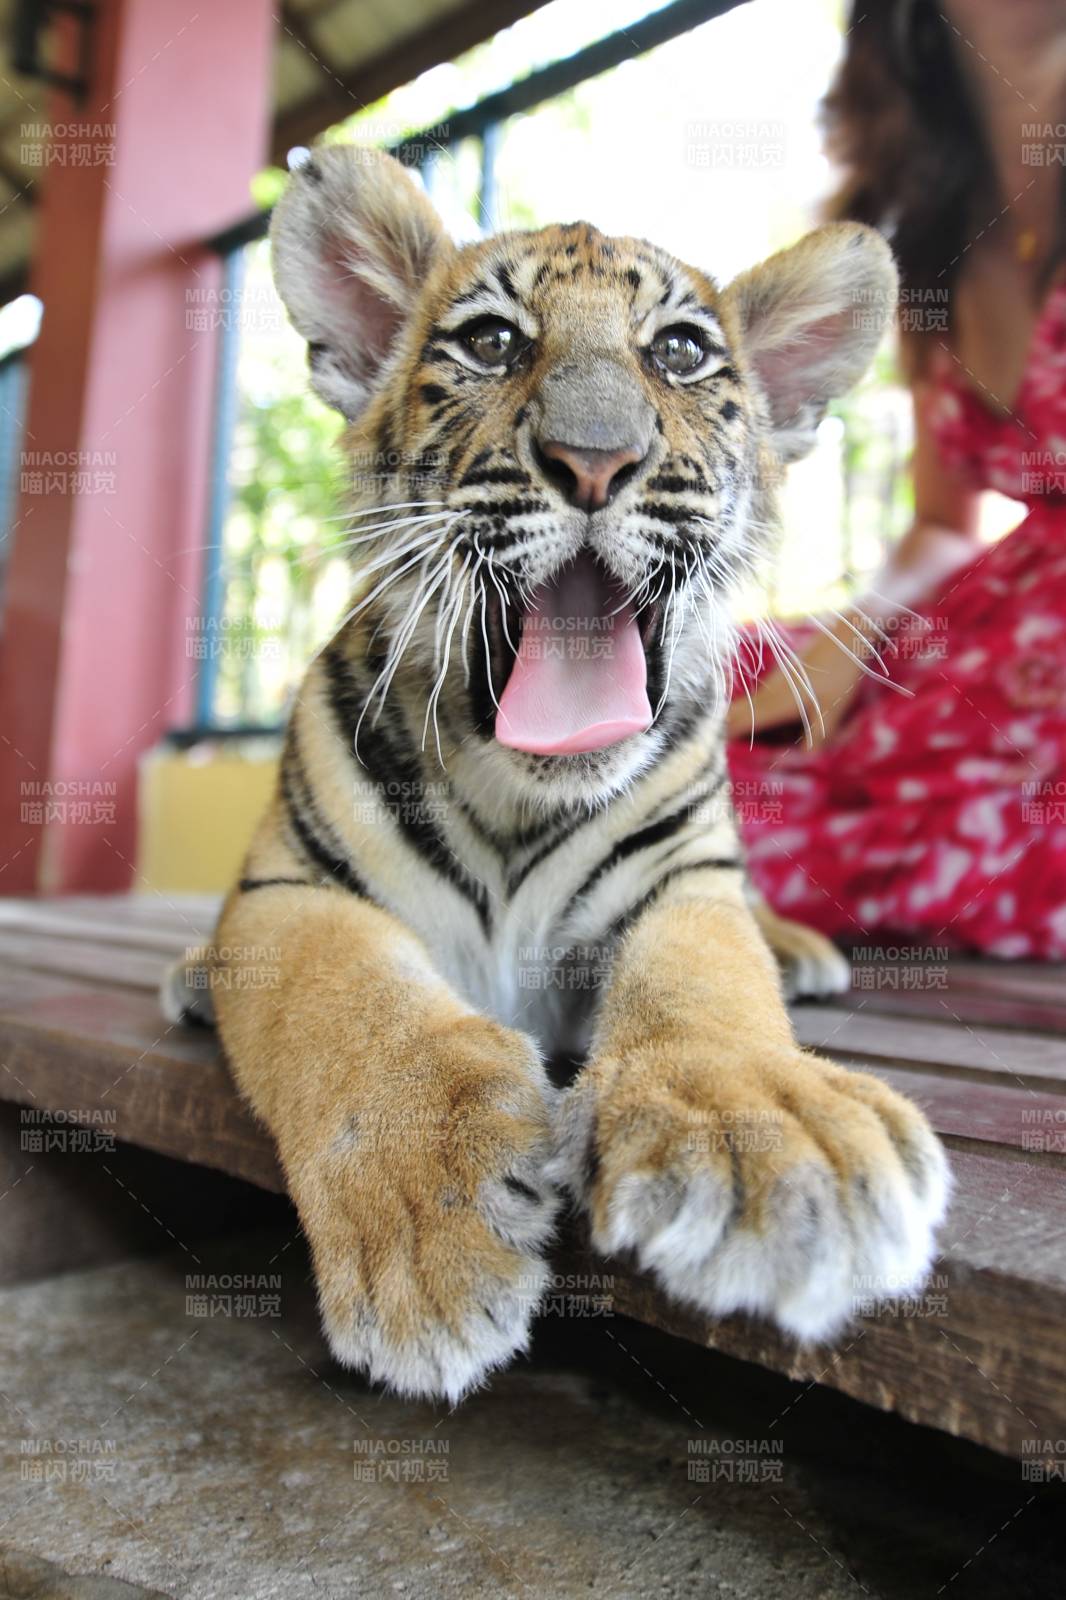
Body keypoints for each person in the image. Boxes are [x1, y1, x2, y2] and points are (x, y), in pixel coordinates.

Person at [726, 0, 1066, 959]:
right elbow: (942, 523)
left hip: (1037, 679)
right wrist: (853, 635)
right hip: (975, 616)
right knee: (687, 685)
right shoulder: (931, 237)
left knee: (715, 826)